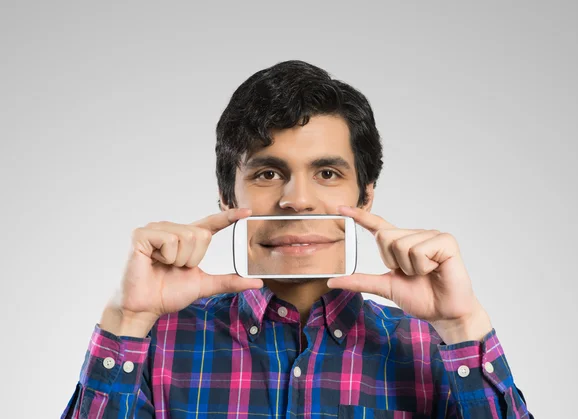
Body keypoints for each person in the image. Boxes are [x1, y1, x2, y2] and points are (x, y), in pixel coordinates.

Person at [61, 60, 532, 418]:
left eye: (327, 172)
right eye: (268, 172)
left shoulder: (436, 347)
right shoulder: (150, 343)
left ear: (365, 196)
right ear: (228, 197)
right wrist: (128, 318)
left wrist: (463, 325)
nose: (297, 200)